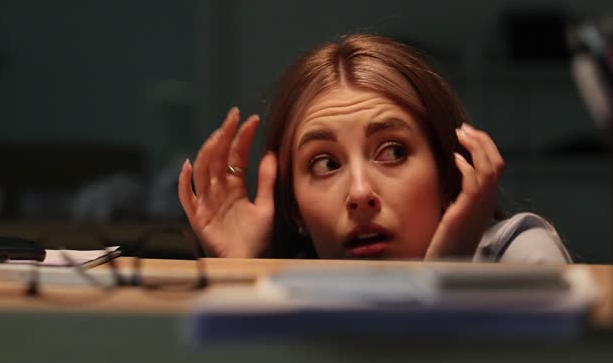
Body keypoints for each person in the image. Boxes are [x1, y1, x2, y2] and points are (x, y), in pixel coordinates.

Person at [177, 34, 571, 263]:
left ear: (448, 176)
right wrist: (242, 276)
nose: (360, 193)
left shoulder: (520, 256)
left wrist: (447, 274)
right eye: (325, 163)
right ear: (296, 209)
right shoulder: (291, 287)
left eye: (394, 152)